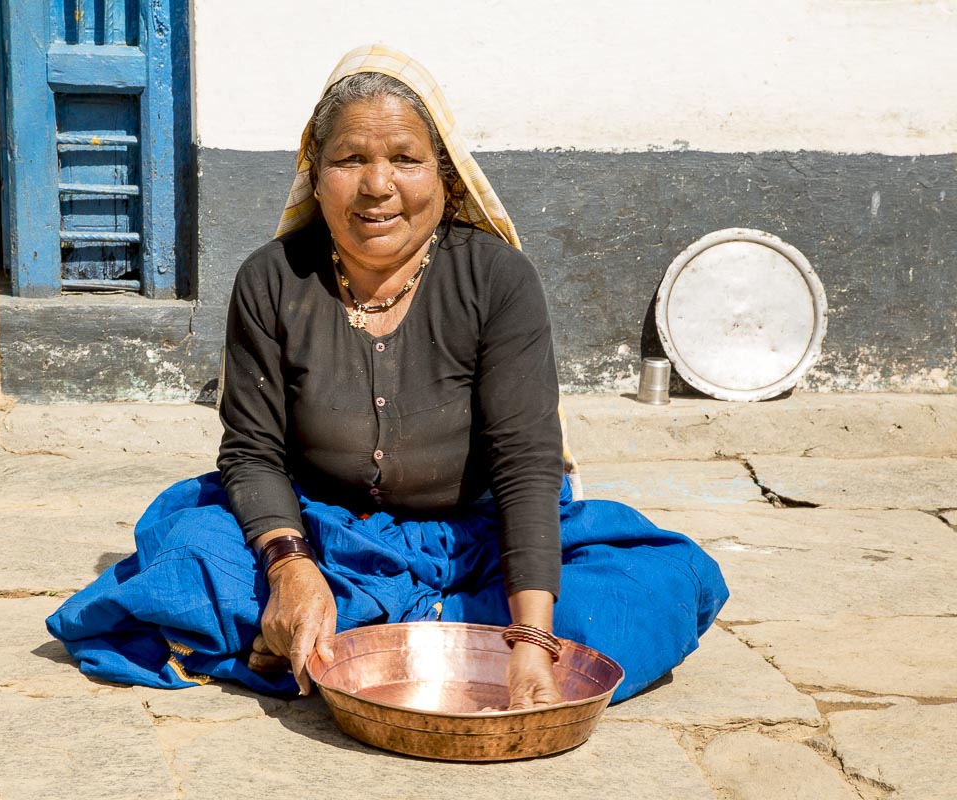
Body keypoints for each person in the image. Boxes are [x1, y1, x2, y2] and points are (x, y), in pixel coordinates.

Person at [48, 45, 728, 708]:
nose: (378, 186)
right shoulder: (272, 279)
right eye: (350, 159)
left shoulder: (496, 280)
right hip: (319, 534)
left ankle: (333, 640)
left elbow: (526, 463)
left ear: (445, 175)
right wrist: (289, 569)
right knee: (191, 557)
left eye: (405, 159)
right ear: (316, 174)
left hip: (474, 542)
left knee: (650, 584)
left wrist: (532, 636)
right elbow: (251, 454)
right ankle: (375, 627)